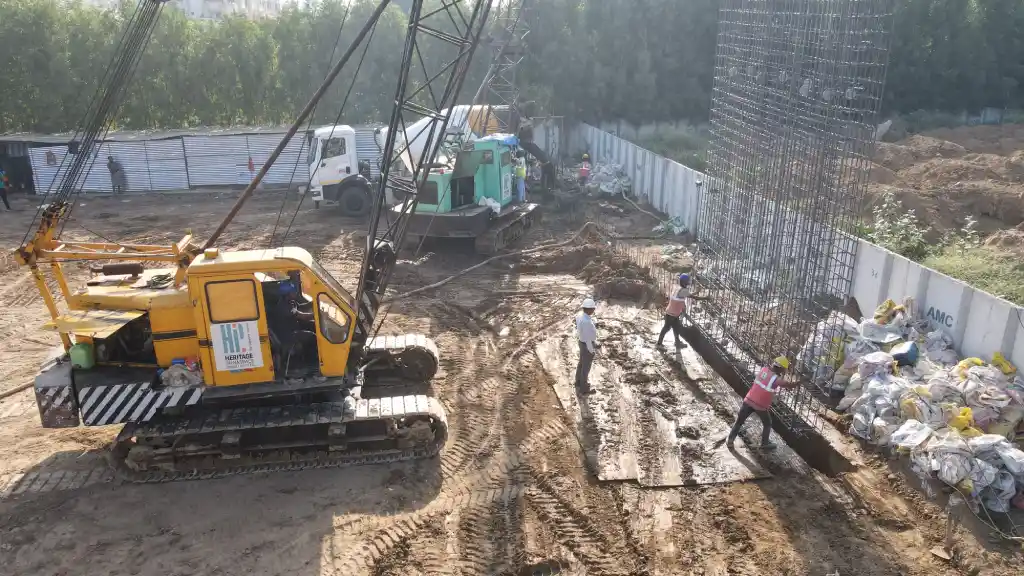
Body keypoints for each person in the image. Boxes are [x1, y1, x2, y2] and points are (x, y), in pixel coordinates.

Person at [726, 357, 798, 450]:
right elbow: (788, 385)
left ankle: (730, 440)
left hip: (749, 399)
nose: (784, 372)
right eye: (784, 369)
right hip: (760, 405)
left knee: (739, 421)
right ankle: (765, 443)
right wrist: (799, 382)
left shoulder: (763, 370)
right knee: (767, 423)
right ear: (781, 368)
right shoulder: (775, 379)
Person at [657, 273, 694, 349]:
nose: (688, 283)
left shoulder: (678, 288)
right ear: (684, 282)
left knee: (676, 328)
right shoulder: (683, 291)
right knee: (666, 328)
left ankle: (677, 342)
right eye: (687, 282)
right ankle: (658, 344)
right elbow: (693, 296)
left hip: (674, 313)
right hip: (671, 314)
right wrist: (705, 298)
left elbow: (685, 297)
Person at [574, 297, 599, 393]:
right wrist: (592, 350)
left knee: (581, 363)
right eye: (593, 308)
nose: (594, 310)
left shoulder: (580, 316)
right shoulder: (587, 322)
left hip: (581, 341)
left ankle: (578, 382)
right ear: (589, 309)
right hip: (587, 344)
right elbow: (588, 339)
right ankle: (583, 389)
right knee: (586, 367)